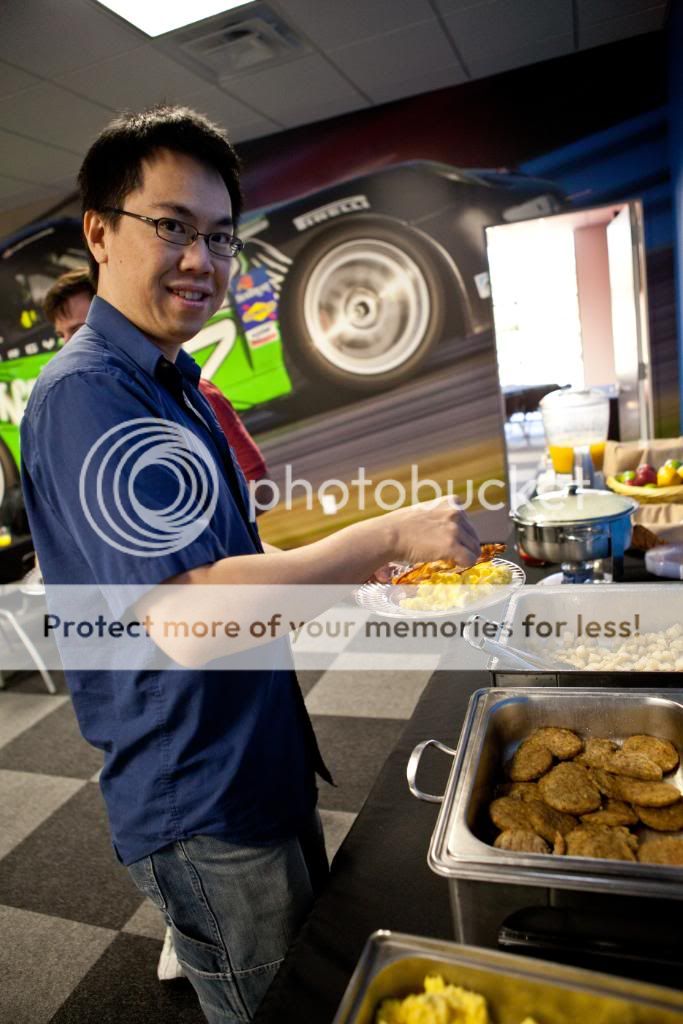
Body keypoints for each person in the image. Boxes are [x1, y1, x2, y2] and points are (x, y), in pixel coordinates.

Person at [20, 106, 480, 1024]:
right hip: (199, 793)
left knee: (314, 974)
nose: (202, 259)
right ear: (101, 232)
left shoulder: (170, 380)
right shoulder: (88, 397)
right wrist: (382, 539)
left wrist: (359, 576)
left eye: (222, 236)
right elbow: (186, 619)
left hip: (252, 757)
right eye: (173, 227)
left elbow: (229, 564)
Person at [43, 267, 268, 487]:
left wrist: (193, 522)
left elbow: (259, 486)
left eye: (78, 330)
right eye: (62, 335)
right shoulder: (92, 413)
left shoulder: (197, 396)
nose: (68, 345)